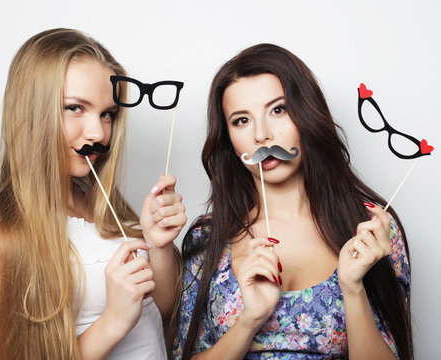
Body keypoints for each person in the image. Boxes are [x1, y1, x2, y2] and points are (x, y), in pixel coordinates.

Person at [174, 44, 412, 360]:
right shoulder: (208, 238)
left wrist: (353, 288)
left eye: (278, 109)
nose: (262, 136)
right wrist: (249, 321)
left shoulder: (370, 229)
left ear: (307, 115)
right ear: (229, 141)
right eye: (241, 120)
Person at [0, 28, 186, 359]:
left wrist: (159, 247)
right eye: (75, 108)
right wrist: (113, 321)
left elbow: (159, 309)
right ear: (32, 112)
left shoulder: (106, 206)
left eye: (107, 114)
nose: (98, 132)